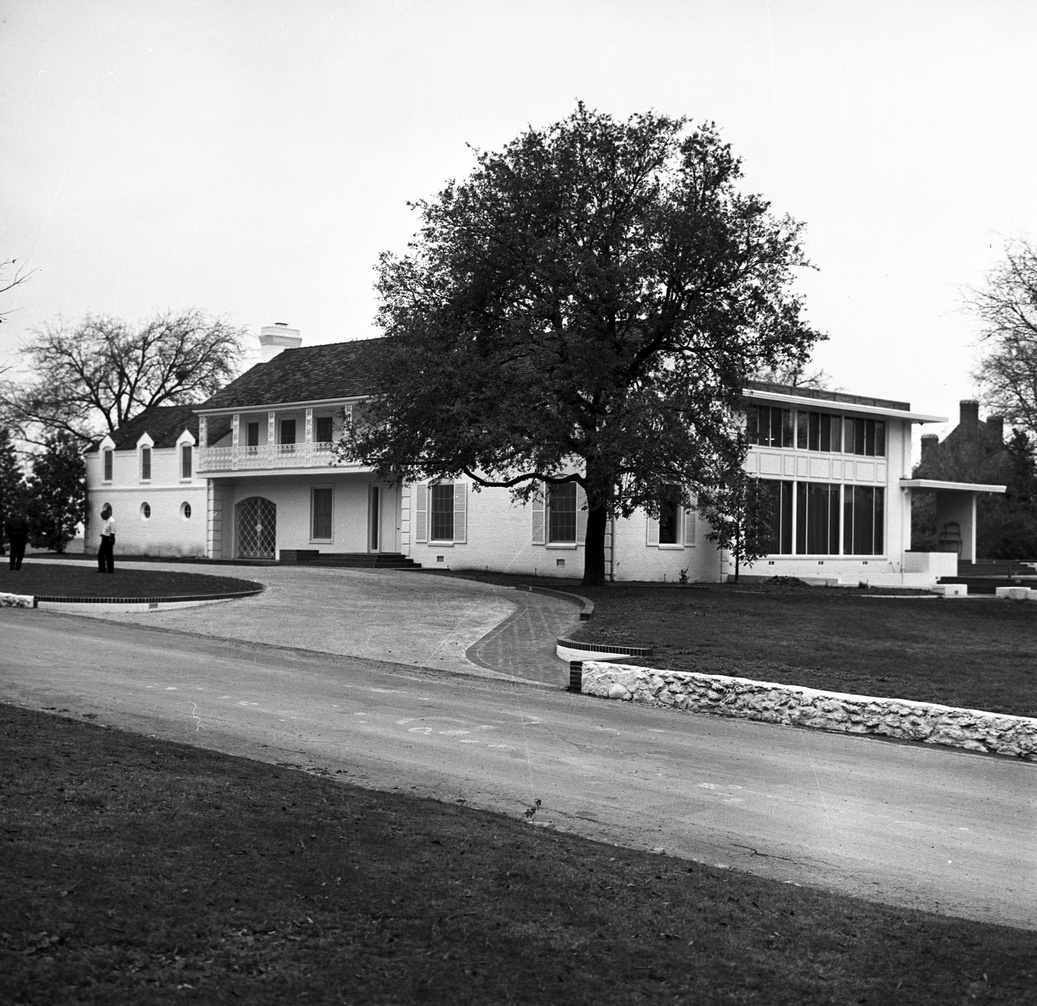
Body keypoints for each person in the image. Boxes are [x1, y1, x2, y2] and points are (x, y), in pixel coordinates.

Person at [97, 504, 116, 573]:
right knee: (101, 554)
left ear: (106, 514)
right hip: (104, 538)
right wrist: (102, 534)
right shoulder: (105, 520)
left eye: (103, 516)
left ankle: (110, 569)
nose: (102, 518)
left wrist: (110, 539)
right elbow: (105, 529)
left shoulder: (112, 521)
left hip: (109, 539)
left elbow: (113, 531)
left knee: (109, 554)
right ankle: (102, 569)